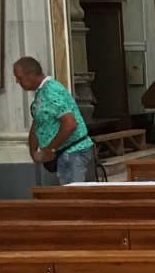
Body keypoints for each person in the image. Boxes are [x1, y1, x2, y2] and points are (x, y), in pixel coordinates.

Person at [13, 55, 95, 185]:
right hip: (62, 154)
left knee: (73, 195)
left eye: (19, 77)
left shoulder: (51, 91)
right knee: (65, 194)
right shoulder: (41, 93)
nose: (17, 81)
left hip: (73, 152)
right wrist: (33, 151)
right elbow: (38, 122)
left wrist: (49, 149)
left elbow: (70, 124)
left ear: (31, 75)